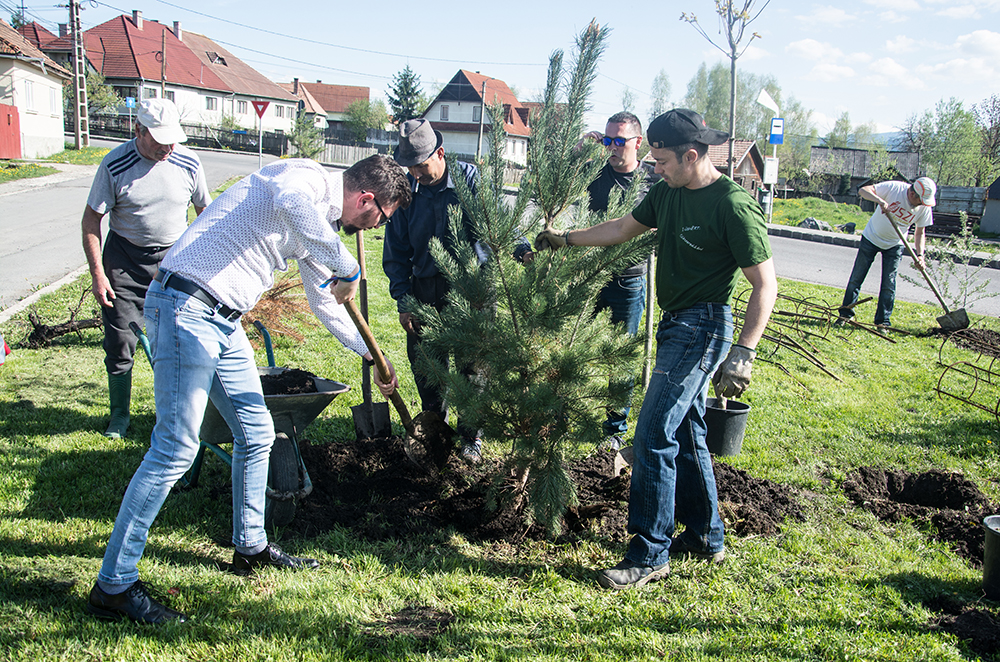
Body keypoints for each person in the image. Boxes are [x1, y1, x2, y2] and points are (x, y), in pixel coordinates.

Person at [86, 155, 410, 624]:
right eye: (379, 217)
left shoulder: (317, 222)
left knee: (257, 433)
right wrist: (348, 266)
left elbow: (325, 300)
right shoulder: (305, 181)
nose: (374, 226)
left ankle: (250, 547)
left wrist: (370, 354)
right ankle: (113, 585)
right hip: (186, 307)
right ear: (365, 198)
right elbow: (292, 204)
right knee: (174, 450)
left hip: (224, 320)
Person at [535, 109, 777, 590]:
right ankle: (707, 537)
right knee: (685, 431)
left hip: (703, 327)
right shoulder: (668, 193)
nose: (655, 167)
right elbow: (623, 228)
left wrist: (744, 351)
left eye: (663, 159)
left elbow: (764, 285)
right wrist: (565, 239)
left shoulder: (731, 204)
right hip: (675, 325)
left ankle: (650, 553)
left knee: (650, 435)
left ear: (691, 156)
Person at [383, 119, 532, 465]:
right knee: (427, 367)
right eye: (411, 167)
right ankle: (436, 429)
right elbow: (396, 254)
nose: (416, 174)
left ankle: (471, 438)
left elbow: (498, 225)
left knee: (474, 369)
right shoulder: (407, 192)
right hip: (424, 293)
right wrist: (405, 301)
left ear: (440, 153)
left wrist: (523, 250)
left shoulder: (471, 182)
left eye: (421, 165)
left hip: (472, 292)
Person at [82, 99, 211, 439]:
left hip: (172, 261)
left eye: (172, 139)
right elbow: (91, 220)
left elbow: (205, 213)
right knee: (122, 338)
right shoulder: (115, 165)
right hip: (124, 261)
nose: (167, 147)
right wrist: (98, 275)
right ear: (137, 130)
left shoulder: (187, 161)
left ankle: (169, 413)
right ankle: (120, 416)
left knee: (173, 340)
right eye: (158, 139)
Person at [578, 111, 656, 451]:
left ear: (638, 143)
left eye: (619, 141)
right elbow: (555, 178)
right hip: (588, 275)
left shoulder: (653, 182)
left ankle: (613, 430)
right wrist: (582, 148)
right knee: (573, 345)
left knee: (620, 358)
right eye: (607, 140)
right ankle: (560, 414)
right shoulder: (594, 173)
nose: (612, 148)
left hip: (629, 281)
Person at [837, 177, 936, 328]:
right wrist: (880, 201)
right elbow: (863, 190)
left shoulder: (924, 207)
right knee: (857, 278)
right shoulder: (895, 188)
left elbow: (920, 233)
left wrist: (920, 255)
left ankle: (883, 322)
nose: (923, 204)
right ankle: (845, 315)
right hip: (871, 237)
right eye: (921, 201)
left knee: (889, 284)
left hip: (895, 245)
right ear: (912, 194)